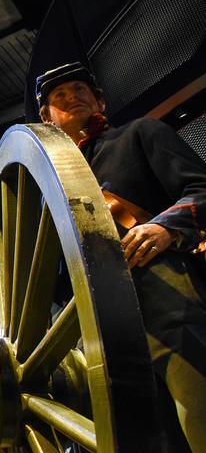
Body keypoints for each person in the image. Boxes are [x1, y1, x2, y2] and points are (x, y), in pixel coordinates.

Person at [37, 62, 206, 452]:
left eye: (80, 89)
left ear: (99, 100)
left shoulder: (140, 133)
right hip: (98, 325)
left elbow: (201, 189)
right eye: (59, 97)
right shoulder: (50, 189)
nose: (72, 97)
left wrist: (165, 227)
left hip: (165, 292)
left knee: (197, 407)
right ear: (47, 117)